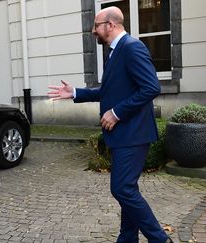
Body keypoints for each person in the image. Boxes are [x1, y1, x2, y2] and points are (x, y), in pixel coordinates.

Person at [48, 7, 172, 243]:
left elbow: (151, 88)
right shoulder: (114, 52)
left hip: (133, 135)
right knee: (128, 190)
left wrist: (116, 113)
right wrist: (74, 92)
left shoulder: (131, 47)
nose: (94, 31)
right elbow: (108, 92)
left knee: (122, 189)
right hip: (124, 136)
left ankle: (160, 239)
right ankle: (127, 239)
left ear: (111, 25)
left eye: (96, 26)